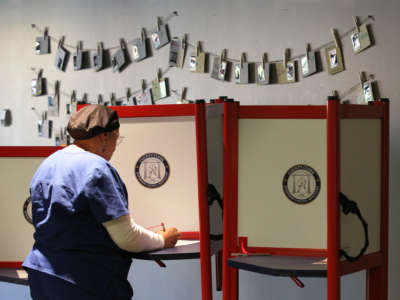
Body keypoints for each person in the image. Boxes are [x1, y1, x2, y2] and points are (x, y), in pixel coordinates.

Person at [23, 104, 180, 300]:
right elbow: (126, 237)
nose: (115, 147)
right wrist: (163, 239)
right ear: (105, 136)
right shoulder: (97, 169)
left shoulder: (49, 164)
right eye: (117, 139)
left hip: (43, 276)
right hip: (84, 281)